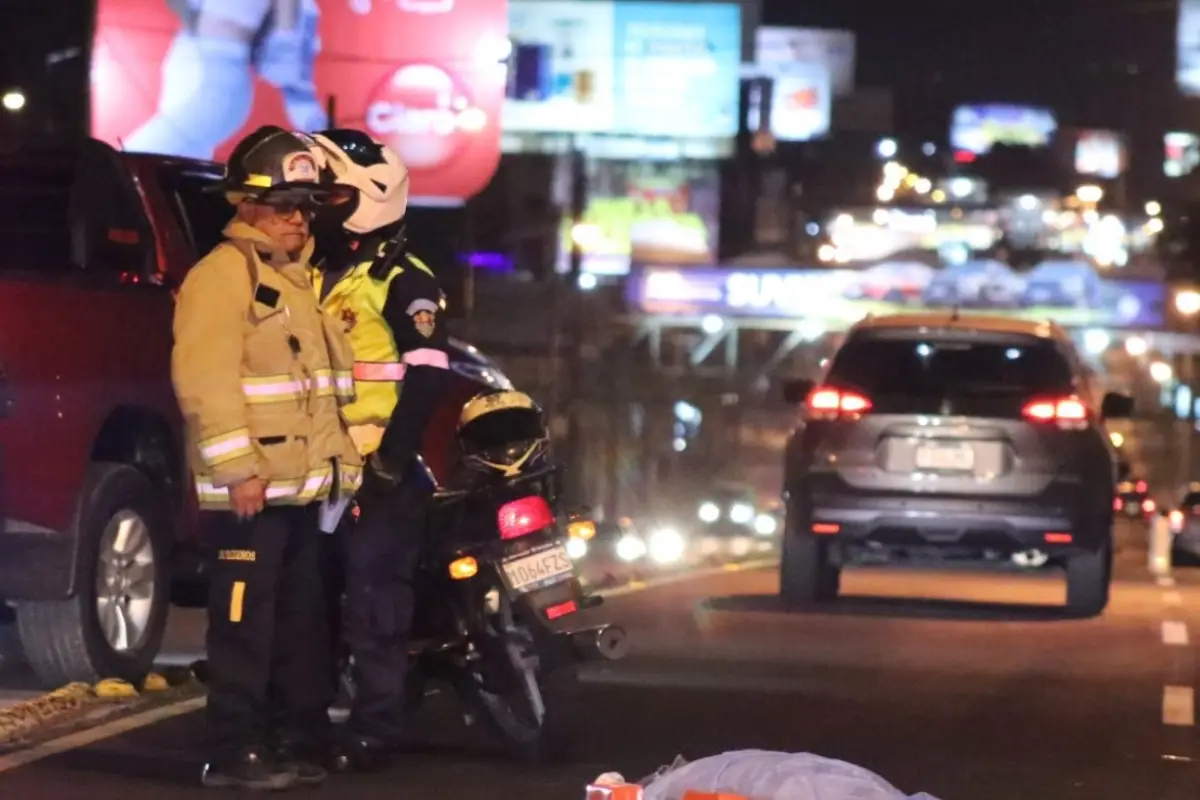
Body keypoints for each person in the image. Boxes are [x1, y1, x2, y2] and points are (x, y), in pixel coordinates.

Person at [172, 124, 362, 790]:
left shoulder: (297, 282)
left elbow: (318, 395)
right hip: (252, 497)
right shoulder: (221, 278)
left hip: (304, 495)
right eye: (285, 205)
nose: (297, 219)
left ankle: (295, 737)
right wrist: (238, 470)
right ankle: (233, 751)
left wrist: (343, 471)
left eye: (305, 206)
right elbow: (206, 382)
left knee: (301, 629)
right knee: (244, 633)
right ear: (247, 205)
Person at [302, 128, 454, 771]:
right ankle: (305, 724)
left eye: (331, 195)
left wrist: (391, 460)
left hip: (378, 474)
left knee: (375, 606)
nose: (317, 206)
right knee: (308, 605)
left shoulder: (401, 282)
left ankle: (375, 732)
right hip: (317, 469)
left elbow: (428, 376)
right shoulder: (312, 272)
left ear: (370, 198)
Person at [127, 0, 325, 159]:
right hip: (195, 65)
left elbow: (287, 45)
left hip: (217, 78)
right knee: (168, 169)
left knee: (133, 164)